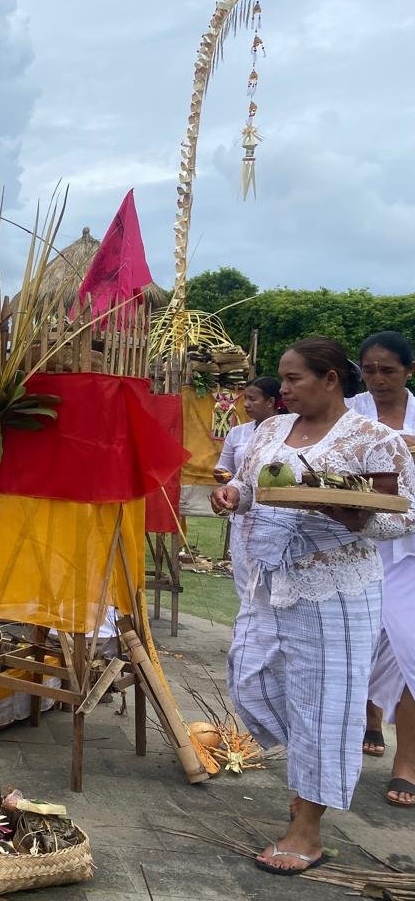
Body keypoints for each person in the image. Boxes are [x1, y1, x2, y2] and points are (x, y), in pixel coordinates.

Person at [211, 336, 415, 874]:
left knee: (324, 706)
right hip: (266, 580)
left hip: (336, 591)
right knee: (248, 678)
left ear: (330, 380)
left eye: (295, 378)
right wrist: (234, 494)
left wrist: (351, 514)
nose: (284, 389)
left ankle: (307, 829)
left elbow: (400, 516)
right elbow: (254, 485)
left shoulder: (375, 440)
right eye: (282, 378)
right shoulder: (272, 429)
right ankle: (313, 754)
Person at [348, 331, 415, 805]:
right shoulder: (349, 411)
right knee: (365, 643)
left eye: (388, 370)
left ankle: (407, 760)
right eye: (369, 370)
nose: (377, 379)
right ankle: (370, 718)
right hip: (361, 544)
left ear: (408, 371)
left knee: (410, 647)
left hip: (411, 548)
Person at [214, 377, 283, 601]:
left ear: (271, 401)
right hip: (243, 513)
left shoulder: (288, 431)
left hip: (276, 514)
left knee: (272, 582)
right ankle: (247, 629)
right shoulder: (238, 433)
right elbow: (224, 467)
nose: (246, 404)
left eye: (253, 399)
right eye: (245, 398)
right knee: (244, 578)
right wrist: (224, 477)